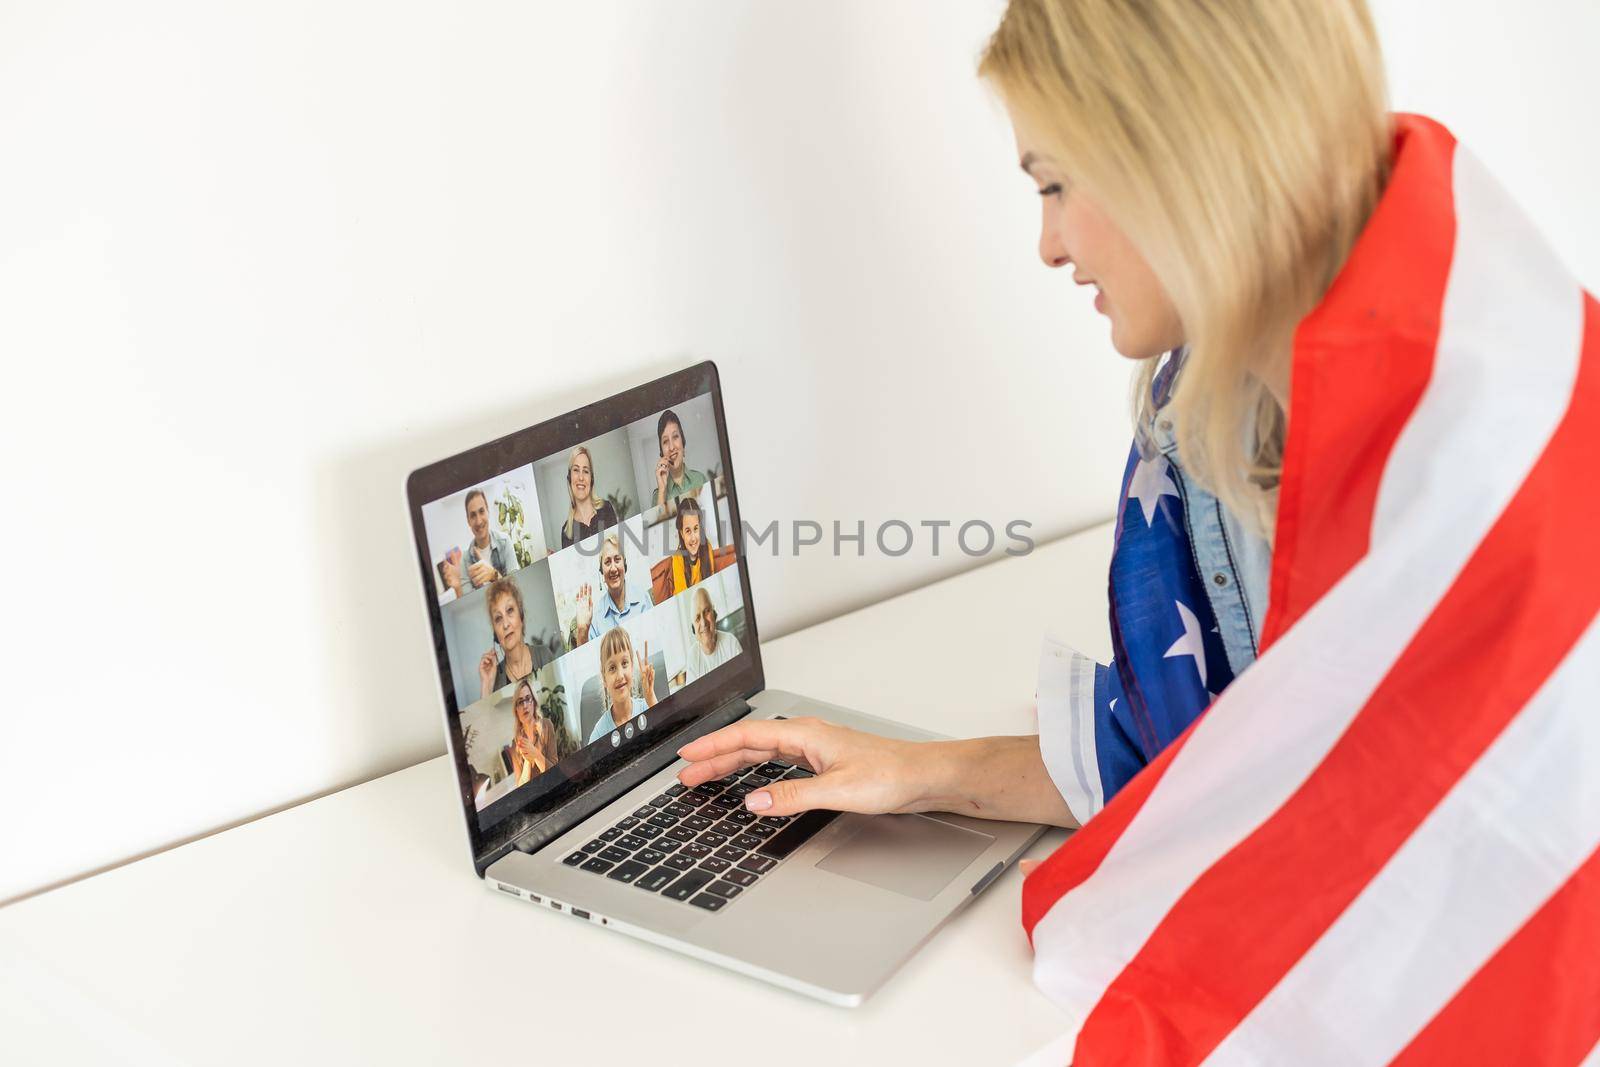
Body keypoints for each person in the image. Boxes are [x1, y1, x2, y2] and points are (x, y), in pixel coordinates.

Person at [673, 0, 1600, 1055]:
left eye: (1056, 184)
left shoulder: (1471, 462)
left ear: (1176, 158)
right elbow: (1217, 755)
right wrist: (915, 771)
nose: (1047, 244)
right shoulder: (1233, 395)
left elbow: (1438, 902)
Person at [572, 531, 653, 646]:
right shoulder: (595, 618)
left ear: (624, 565)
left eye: (617, 559)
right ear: (601, 571)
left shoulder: (643, 598)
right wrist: (582, 631)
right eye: (607, 562)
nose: (613, 568)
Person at [477, 578, 552, 699]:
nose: (505, 624)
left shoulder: (544, 655)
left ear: (521, 616)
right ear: (495, 634)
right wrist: (487, 685)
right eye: (498, 618)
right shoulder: (494, 679)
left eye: (510, 610)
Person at [586, 626, 657, 745]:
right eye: (612, 668)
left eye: (624, 663)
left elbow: (667, 735)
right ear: (604, 678)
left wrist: (650, 697)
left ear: (632, 666)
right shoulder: (599, 734)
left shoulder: (647, 706)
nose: (620, 675)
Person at [503, 678, 577, 786]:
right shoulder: (516, 742)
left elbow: (554, 774)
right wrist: (528, 760)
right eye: (520, 702)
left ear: (534, 702)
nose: (525, 706)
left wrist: (535, 754)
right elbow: (520, 786)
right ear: (516, 710)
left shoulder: (546, 726)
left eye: (528, 699)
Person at [442, 488, 513, 598]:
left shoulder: (505, 542)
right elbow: (468, 605)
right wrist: (458, 588)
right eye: (473, 515)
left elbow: (515, 589)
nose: (479, 521)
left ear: (488, 512)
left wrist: (493, 575)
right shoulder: (465, 560)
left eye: (481, 511)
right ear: (468, 521)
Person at [560, 445, 620, 548]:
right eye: (576, 470)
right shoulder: (566, 531)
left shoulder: (606, 508)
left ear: (591, 479)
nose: (581, 477)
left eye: (586, 471)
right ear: (569, 478)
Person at [684, 585, 743, 682]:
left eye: (707, 611)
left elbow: (744, 680)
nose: (703, 623)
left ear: (714, 614)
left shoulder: (730, 642)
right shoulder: (692, 657)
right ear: (693, 628)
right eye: (698, 618)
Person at [652, 410, 708, 508]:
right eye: (665, 441)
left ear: (683, 442)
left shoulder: (700, 479)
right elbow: (659, 523)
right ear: (662, 452)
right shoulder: (657, 496)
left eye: (675, 437)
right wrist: (662, 491)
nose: (671, 447)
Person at [666, 495, 713, 595]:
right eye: (688, 531)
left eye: (696, 529)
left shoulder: (707, 547)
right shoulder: (678, 558)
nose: (693, 538)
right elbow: (682, 595)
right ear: (682, 533)